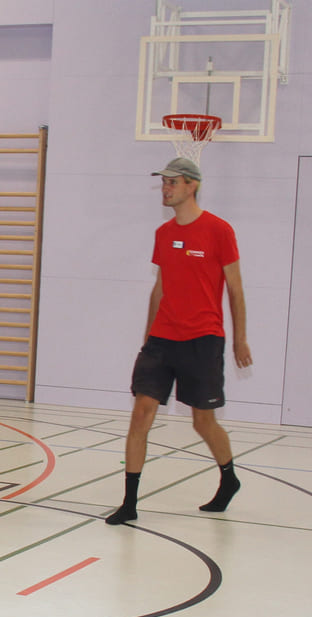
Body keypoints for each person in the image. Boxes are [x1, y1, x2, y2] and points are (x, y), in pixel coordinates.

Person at [106, 157, 253, 525]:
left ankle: (229, 478)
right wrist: (147, 337)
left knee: (203, 422)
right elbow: (160, 288)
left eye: (172, 182)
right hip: (162, 340)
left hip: (203, 339)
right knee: (141, 414)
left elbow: (235, 289)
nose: (166, 188)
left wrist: (240, 340)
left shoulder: (219, 231)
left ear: (192, 185)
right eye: (163, 182)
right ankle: (129, 503)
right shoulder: (163, 234)